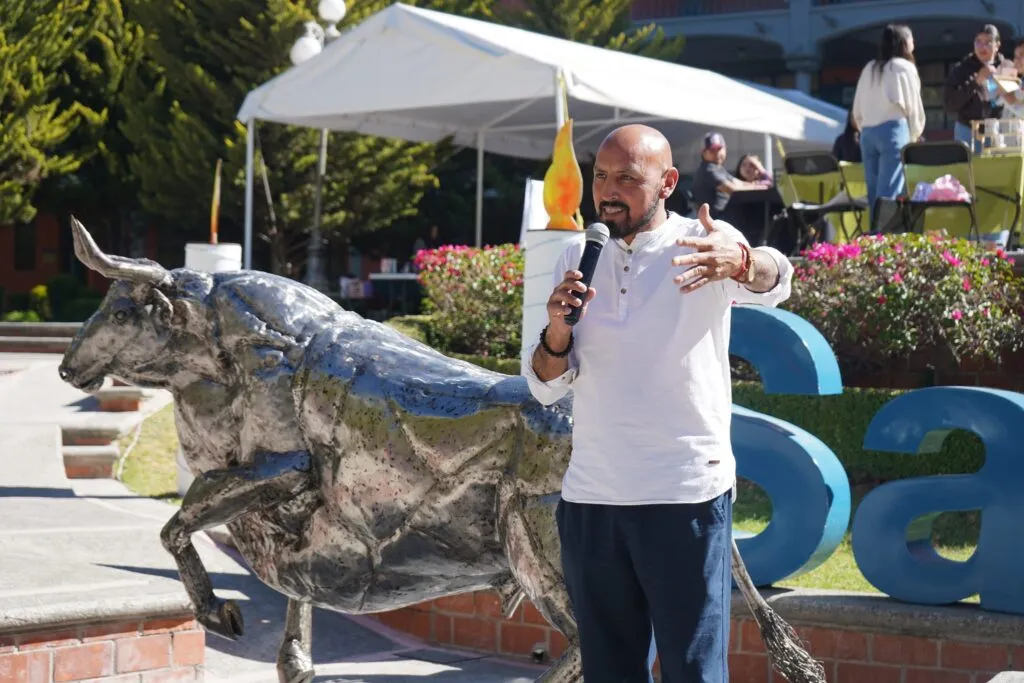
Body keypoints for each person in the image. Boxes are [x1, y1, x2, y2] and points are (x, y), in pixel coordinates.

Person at [522, 124, 793, 683]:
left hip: (684, 496)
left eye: (627, 178)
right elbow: (546, 382)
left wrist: (742, 259)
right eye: (601, 177)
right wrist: (555, 331)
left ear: (668, 182)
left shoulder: (703, 242)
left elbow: (778, 277)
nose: (609, 191)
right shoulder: (577, 252)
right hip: (592, 499)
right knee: (610, 672)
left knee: (694, 670)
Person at [851, 23, 926, 227]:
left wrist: (863, 126)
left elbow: (856, 110)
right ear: (905, 42)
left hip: (867, 133)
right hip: (892, 130)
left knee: (874, 191)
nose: (914, 43)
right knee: (890, 191)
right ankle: (883, 240)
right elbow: (913, 106)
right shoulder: (904, 67)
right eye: (911, 39)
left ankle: (875, 237)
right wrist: (915, 132)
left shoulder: (869, 68)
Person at [945, 24, 1010, 148]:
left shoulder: (1006, 67)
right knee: (969, 167)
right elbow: (949, 104)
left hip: (999, 130)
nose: (982, 47)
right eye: (978, 42)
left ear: (997, 45)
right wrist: (976, 81)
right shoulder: (961, 69)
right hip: (968, 131)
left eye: (988, 42)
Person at [690, 132, 768, 221]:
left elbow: (739, 183)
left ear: (725, 149)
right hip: (717, 222)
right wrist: (760, 187)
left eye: (719, 149)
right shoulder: (709, 169)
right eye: (712, 150)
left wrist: (758, 185)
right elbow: (733, 190)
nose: (716, 153)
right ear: (703, 152)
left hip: (722, 220)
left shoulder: (717, 168)